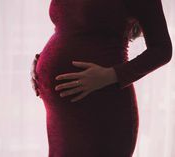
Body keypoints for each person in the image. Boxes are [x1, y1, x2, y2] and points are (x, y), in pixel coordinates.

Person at [30, 0, 172, 156]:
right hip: (61, 117)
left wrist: (111, 75)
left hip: (101, 109)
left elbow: (162, 50)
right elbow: (71, 28)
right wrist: (42, 61)